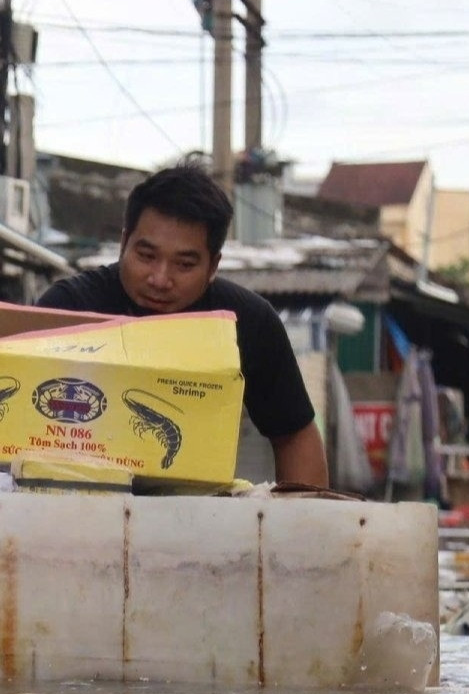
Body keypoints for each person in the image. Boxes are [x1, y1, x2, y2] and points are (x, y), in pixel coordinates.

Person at [36, 164, 330, 488]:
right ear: (123, 244)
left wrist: (303, 524)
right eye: (146, 256)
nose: (160, 279)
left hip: (197, 519)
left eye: (184, 265)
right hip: (73, 508)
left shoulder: (248, 322)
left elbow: (294, 435)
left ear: (213, 265)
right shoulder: (68, 309)